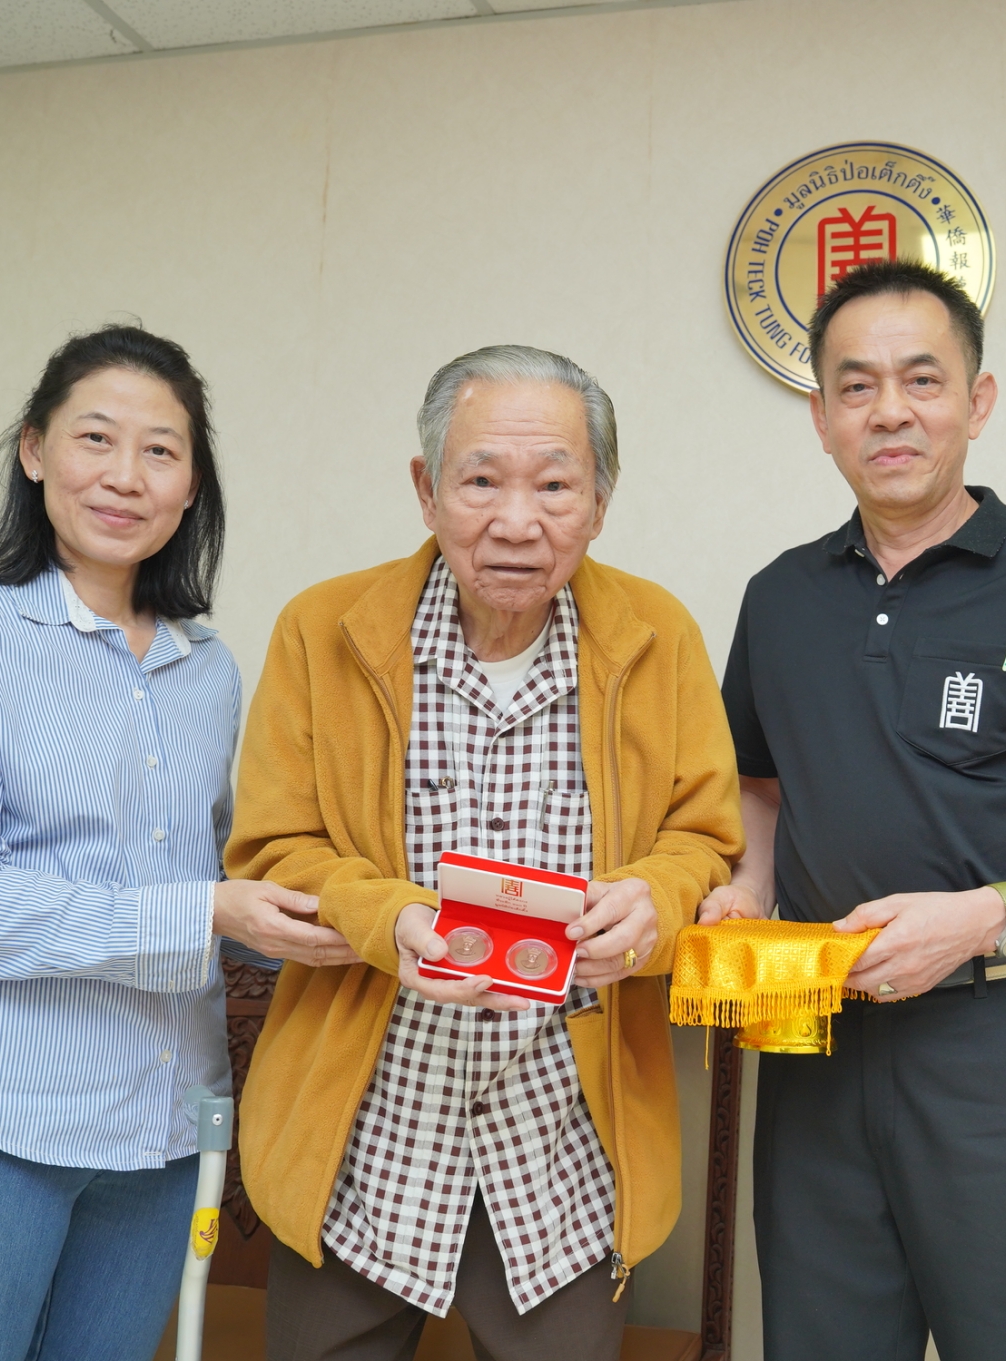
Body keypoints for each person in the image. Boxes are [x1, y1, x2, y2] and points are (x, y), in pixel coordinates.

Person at [702, 259, 1006, 1361]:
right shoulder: (779, 596)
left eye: (921, 380)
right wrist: (746, 884)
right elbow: (759, 783)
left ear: (977, 402)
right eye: (856, 386)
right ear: (821, 419)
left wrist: (984, 915)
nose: (889, 410)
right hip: (816, 1040)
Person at [0, 325, 351, 1361]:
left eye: (161, 450)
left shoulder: (207, 669)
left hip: (155, 1141)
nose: (126, 476)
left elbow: (216, 886)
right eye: (95, 438)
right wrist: (208, 910)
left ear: (192, 484)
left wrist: (352, 913)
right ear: (34, 450)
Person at [227, 344, 742, 1361]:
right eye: (480, 481)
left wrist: (655, 894)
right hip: (365, 1142)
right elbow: (273, 848)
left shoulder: (657, 634)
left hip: (562, 1151)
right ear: (426, 489)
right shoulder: (323, 629)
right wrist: (391, 919)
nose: (516, 520)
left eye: (554, 484)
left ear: (599, 502)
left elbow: (705, 835)